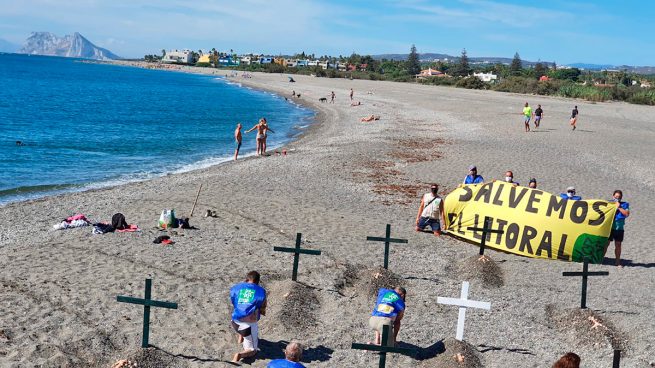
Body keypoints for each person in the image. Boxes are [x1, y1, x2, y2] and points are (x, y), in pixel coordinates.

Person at [230, 271, 268, 363]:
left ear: (247, 279)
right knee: (252, 350)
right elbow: (262, 308)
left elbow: (234, 302)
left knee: (242, 310)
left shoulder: (235, 288)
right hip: (247, 326)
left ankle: (240, 338)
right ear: (258, 281)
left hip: (234, 321)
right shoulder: (261, 291)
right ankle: (239, 355)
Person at [604, 190, 630, 267]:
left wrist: (619, 207)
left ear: (621, 197)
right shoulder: (609, 203)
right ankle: (600, 259)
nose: (617, 198)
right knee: (606, 244)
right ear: (613, 196)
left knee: (618, 245)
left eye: (619, 197)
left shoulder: (625, 204)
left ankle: (617, 261)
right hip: (609, 227)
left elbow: (626, 214)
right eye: (616, 197)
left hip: (619, 228)